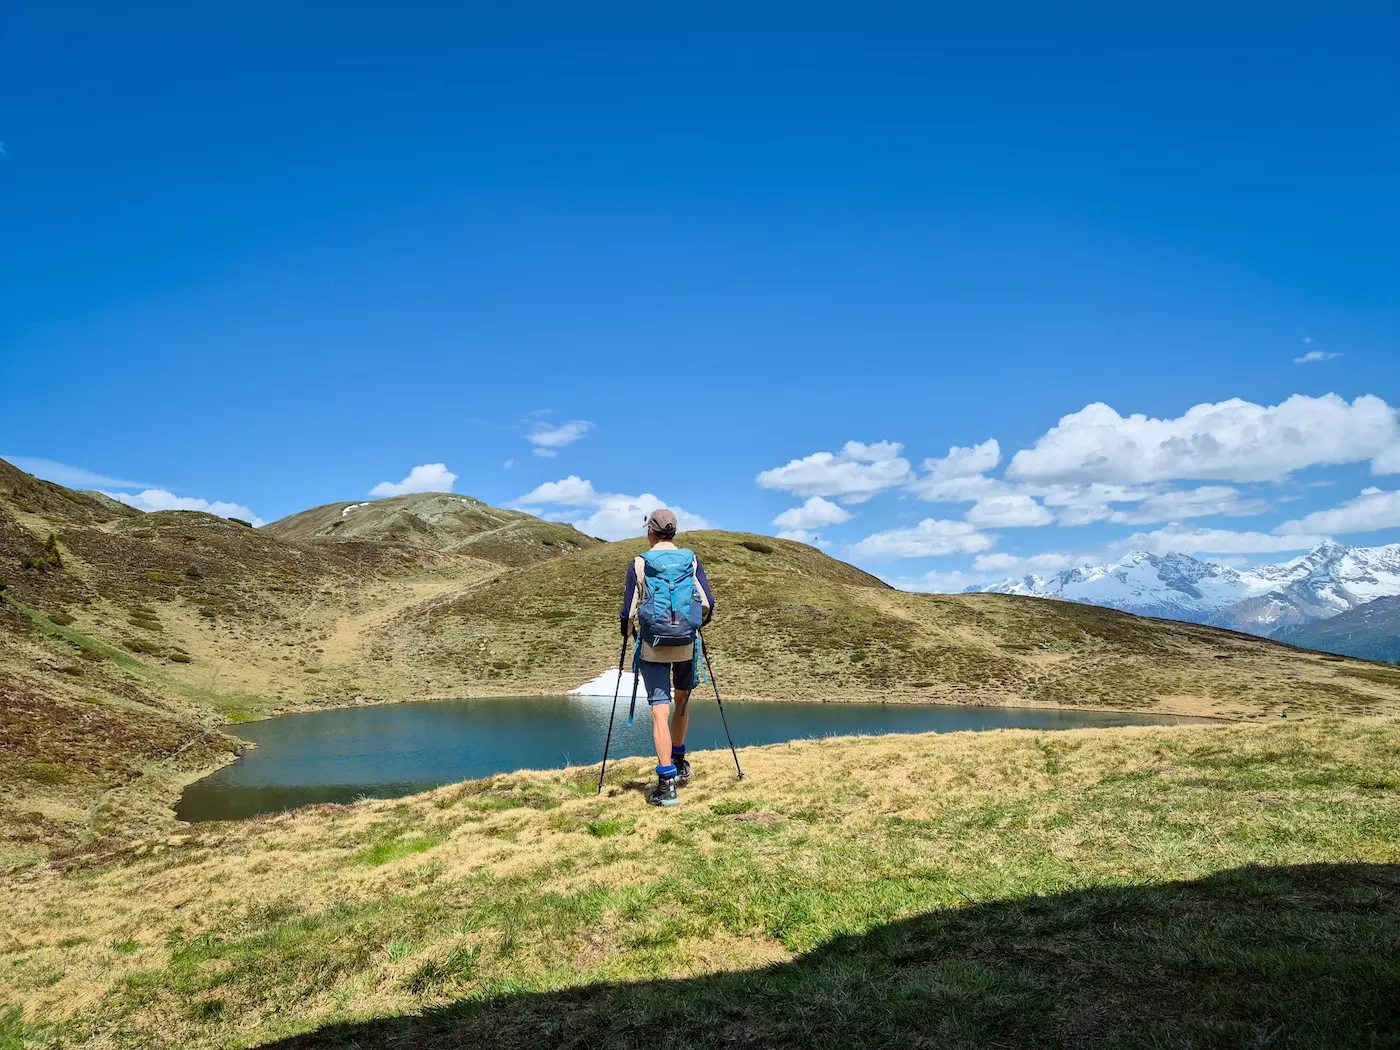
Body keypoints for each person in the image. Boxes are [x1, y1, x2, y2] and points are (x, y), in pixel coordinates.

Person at [620, 508, 715, 806]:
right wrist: (693, 628)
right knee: (683, 700)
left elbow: (629, 611)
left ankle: (666, 783)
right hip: (687, 644)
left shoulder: (639, 563)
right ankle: (680, 757)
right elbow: (708, 603)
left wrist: (630, 632)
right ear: (674, 531)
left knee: (660, 709)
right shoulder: (691, 559)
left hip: (653, 647)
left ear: (650, 531)